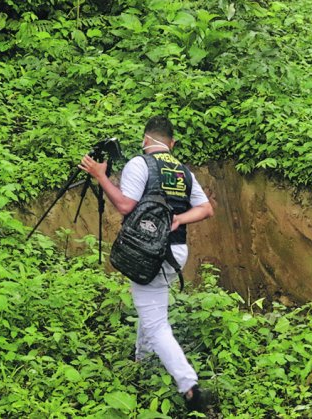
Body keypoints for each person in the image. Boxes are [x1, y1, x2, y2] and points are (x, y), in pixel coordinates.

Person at [80, 117, 215, 411]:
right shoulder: (183, 172)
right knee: (151, 305)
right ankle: (143, 361)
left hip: (147, 252)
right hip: (177, 251)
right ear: (172, 143)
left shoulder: (140, 164)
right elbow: (206, 209)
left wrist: (100, 176)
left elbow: (127, 205)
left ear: (145, 140)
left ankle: (189, 386)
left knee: (156, 323)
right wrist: (179, 218)